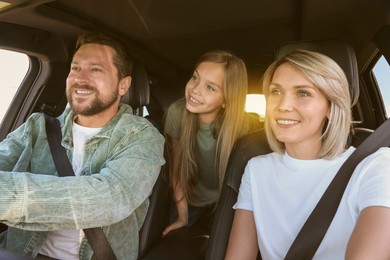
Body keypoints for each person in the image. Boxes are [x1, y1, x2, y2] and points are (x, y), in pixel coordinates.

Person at [0, 31, 165, 260]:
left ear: (123, 85)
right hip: (20, 253)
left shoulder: (142, 137)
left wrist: (5, 196)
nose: (80, 78)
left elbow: (109, 199)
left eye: (96, 69)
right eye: (75, 68)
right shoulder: (36, 127)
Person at [225, 49, 390, 259]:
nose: (283, 106)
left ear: (331, 106)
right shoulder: (256, 169)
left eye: (303, 93)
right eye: (276, 92)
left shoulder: (375, 166)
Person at [162, 50, 261, 236]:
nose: (195, 89)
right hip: (188, 199)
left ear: (226, 100)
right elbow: (176, 170)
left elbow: (246, 184)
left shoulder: (242, 126)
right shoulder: (177, 112)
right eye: (195, 78)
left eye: (211, 87)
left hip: (226, 201)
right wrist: (182, 217)